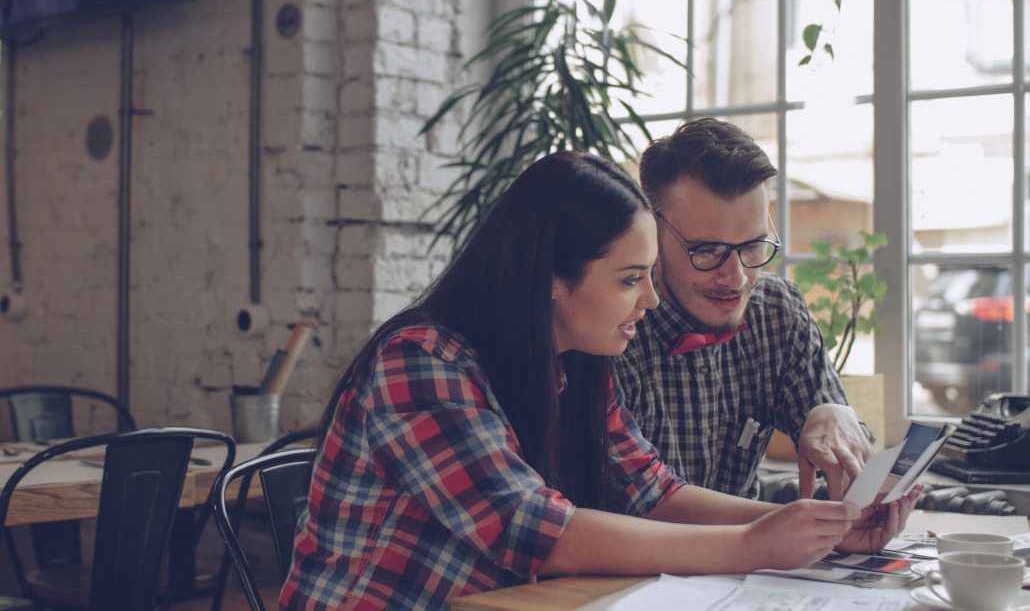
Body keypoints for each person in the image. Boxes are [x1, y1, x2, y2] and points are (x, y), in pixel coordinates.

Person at [280, 152, 917, 610]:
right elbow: (534, 529)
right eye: (629, 279)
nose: (648, 301)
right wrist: (753, 545)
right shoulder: (421, 363)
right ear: (552, 278)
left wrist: (824, 524)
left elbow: (654, 492)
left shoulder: (578, 360)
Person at [613, 117, 873, 502]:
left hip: (753, 558)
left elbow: (846, 460)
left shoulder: (776, 313)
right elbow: (641, 505)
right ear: (651, 233)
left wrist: (837, 417)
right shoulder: (612, 330)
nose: (736, 277)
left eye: (753, 246)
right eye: (707, 250)